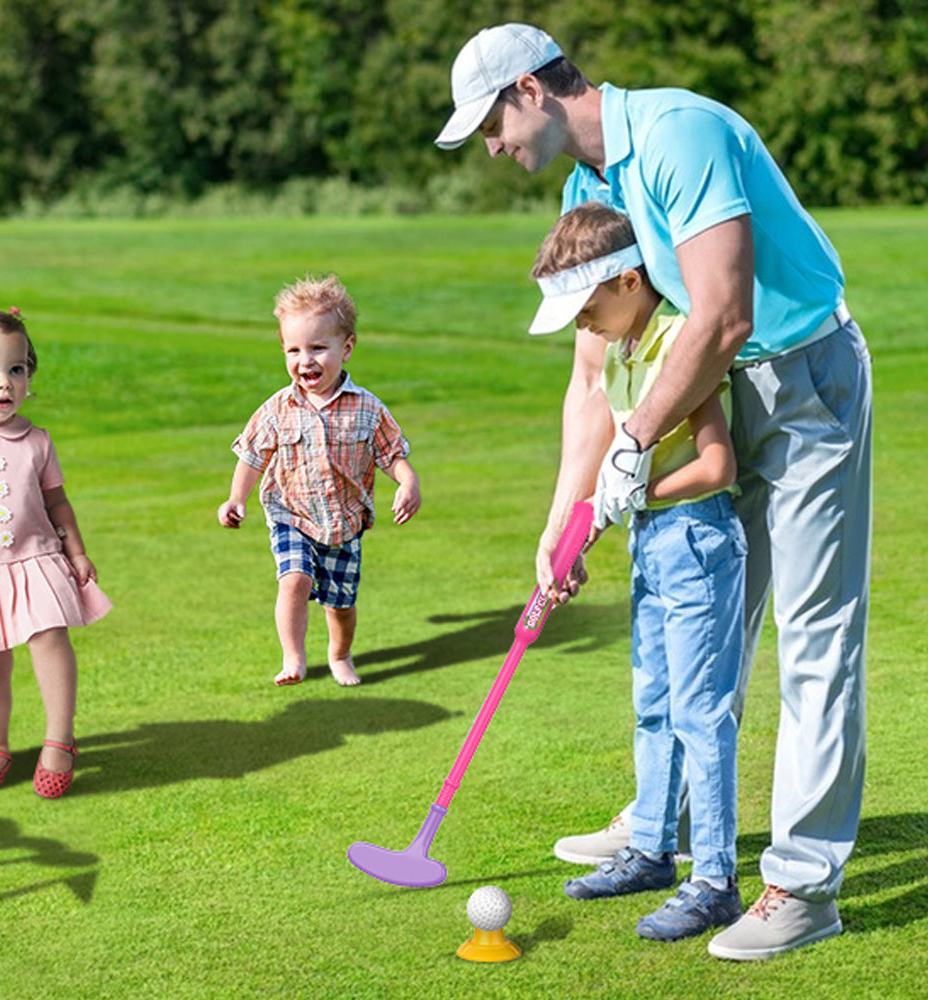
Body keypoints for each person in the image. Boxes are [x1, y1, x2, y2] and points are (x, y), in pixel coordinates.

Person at [436, 24, 872, 960]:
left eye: (491, 124)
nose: (492, 147)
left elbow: (725, 313)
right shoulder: (585, 191)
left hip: (804, 378)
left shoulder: (680, 134)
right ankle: (658, 825)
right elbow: (593, 371)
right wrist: (565, 521)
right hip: (709, 386)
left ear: (531, 89)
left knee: (814, 632)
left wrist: (636, 444)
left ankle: (804, 884)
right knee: (709, 624)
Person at [530, 202, 747, 942]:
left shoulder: (680, 342)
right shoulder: (621, 351)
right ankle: (651, 849)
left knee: (700, 713)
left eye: (587, 308)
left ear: (628, 281)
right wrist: (579, 532)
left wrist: (638, 491)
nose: (583, 326)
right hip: (651, 544)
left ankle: (714, 880)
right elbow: (618, 475)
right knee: (652, 703)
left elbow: (717, 466)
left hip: (698, 542)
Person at [218, 274, 420, 687]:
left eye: (317, 348)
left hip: (343, 524)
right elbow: (252, 455)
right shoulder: (277, 408)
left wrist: (408, 481)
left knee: (340, 605)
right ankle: (293, 657)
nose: (305, 360)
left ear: (346, 349)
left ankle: (340, 654)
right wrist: (236, 498)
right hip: (291, 516)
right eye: (293, 350)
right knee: (293, 579)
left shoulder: (367, 408)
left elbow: (391, 453)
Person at [0, 308, 112, 799]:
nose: (3, 382)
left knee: (49, 639)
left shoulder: (37, 442)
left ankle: (60, 738)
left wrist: (75, 551)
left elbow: (57, 502)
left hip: (36, 560)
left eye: (15, 369)